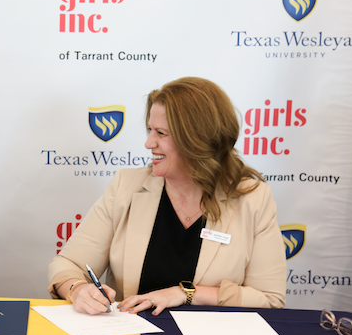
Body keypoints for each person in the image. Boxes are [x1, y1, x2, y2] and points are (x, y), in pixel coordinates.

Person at [48, 77, 286, 315]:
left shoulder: (252, 198)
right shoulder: (126, 187)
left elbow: (269, 299)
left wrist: (186, 293)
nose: (149, 142)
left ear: (197, 140)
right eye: (150, 130)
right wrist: (77, 288)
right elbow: (67, 265)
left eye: (161, 133)